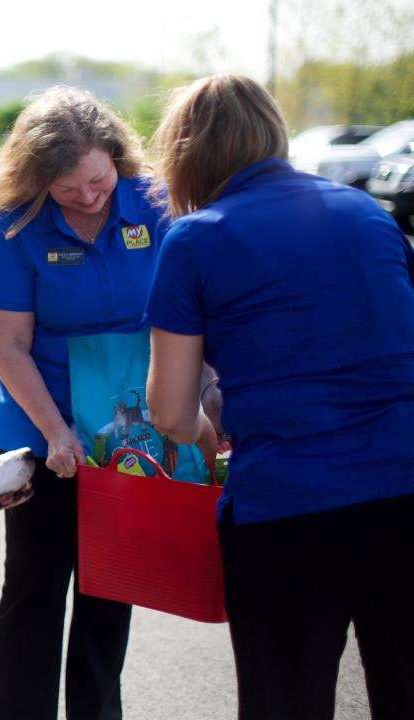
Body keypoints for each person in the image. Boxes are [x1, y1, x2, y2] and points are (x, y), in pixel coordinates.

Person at [144, 74, 414, 720]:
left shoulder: (195, 238)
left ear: (186, 154)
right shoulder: (367, 215)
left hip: (288, 510)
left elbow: (171, 412)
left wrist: (212, 440)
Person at [0, 86, 170, 720]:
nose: (87, 198)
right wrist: (56, 434)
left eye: (98, 182)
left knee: (111, 589)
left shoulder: (157, 206)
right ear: (36, 180)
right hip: (40, 430)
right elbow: (9, 347)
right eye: (67, 189)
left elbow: (187, 315)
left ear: (116, 156)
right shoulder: (15, 230)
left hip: (129, 433)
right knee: (34, 587)